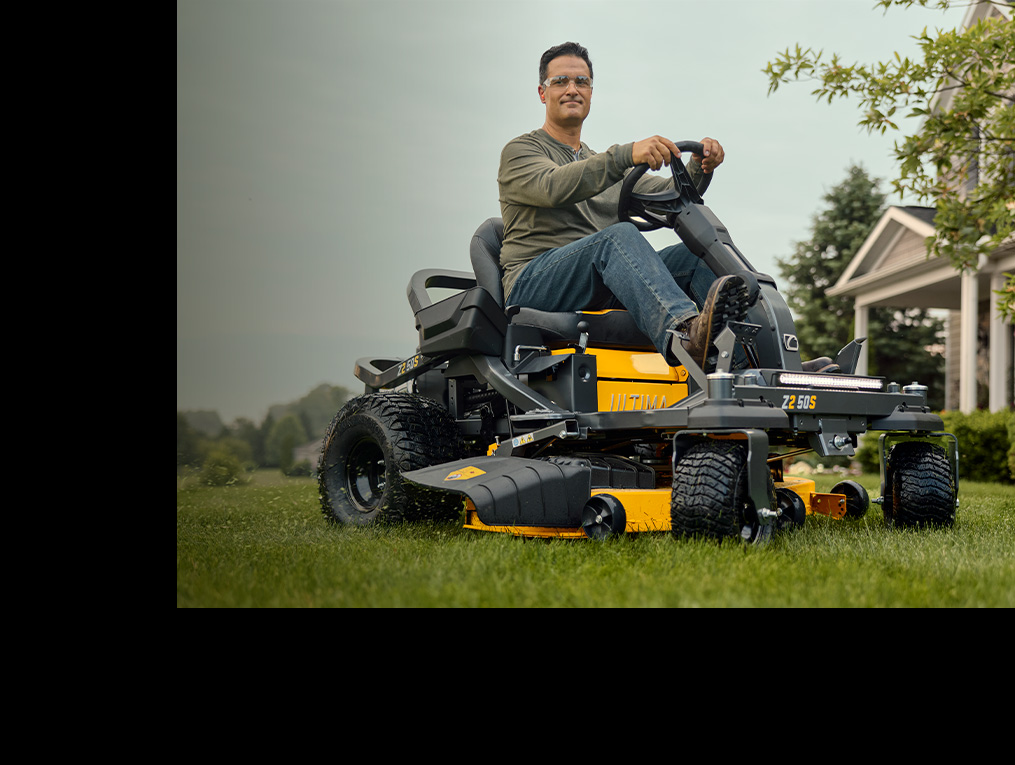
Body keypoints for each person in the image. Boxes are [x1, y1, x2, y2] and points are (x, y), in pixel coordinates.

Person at [497, 41, 749, 372]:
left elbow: (666, 195)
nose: (572, 89)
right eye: (561, 81)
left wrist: (700, 168)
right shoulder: (521, 151)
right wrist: (624, 155)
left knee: (694, 256)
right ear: (543, 94)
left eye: (582, 82)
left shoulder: (601, 165)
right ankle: (685, 337)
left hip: (600, 280)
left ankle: (754, 366)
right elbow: (553, 186)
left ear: (591, 92)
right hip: (534, 283)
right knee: (617, 237)